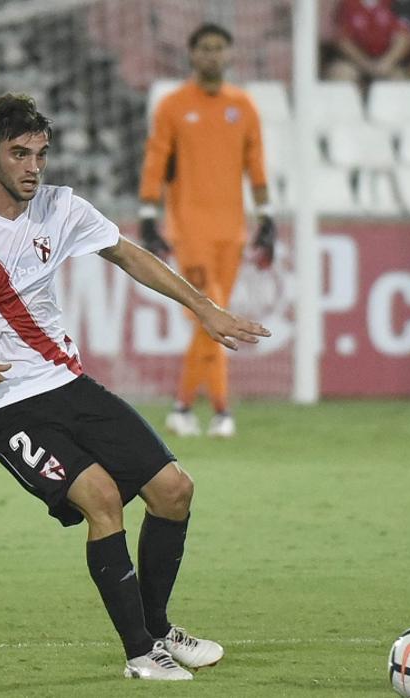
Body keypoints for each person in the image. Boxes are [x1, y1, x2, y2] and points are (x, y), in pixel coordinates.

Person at [0, 92, 270, 682]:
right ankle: (141, 655)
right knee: (103, 500)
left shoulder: (60, 208)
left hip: (66, 383)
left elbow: (127, 255)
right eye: (19, 154)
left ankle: (158, 628)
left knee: (174, 490)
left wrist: (204, 308)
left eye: (41, 154)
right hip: (3, 405)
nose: (33, 167)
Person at [138, 23, 275, 439]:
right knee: (209, 314)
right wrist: (148, 214)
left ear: (229, 55)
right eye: (205, 48)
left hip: (232, 232)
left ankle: (182, 409)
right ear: (192, 55)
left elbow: (256, 164)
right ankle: (220, 410)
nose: (213, 55)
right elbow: (155, 161)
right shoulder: (173, 106)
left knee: (209, 319)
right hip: (190, 232)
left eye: (219, 48)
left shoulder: (243, 105)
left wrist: (267, 215)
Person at [326, 0, 410, 86]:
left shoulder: (393, 3)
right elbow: (342, 41)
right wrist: (366, 64)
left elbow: (403, 37)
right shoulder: (347, 3)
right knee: (341, 74)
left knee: (399, 79)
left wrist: (387, 62)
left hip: (386, 62)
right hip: (353, 62)